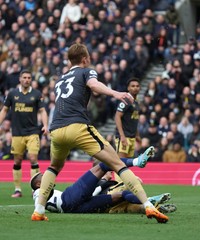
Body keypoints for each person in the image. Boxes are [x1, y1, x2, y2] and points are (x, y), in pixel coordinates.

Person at [31, 43, 168, 223]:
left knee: (53, 167)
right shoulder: (86, 71)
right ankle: (148, 205)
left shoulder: (60, 79)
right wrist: (115, 93)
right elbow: (94, 85)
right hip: (77, 126)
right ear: (85, 59)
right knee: (117, 164)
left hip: (56, 129)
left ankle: (38, 211)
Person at [31, 147, 175, 214]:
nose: (47, 176)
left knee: (121, 196)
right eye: (43, 176)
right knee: (104, 164)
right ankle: (138, 161)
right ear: (38, 184)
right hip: (69, 198)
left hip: (75, 209)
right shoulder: (38, 192)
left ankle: (149, 201)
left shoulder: (43, 196)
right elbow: (38, 200)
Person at [0, 70, 49, 198]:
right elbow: (4, 110)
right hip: (17, 133)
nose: (27, 80)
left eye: (29, 77)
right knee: (17, 160)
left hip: (32, 132)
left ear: (31, 80)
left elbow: (43, 111)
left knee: (33, 158)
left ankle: (35, 189)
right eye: (24, 77)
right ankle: (17, 189)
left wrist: (45, 125)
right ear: (20, 79)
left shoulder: (37, 94)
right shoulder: (12, 94)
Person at [114, 77, 141, 159]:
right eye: (133, 86)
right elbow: (117, 116)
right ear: (128, 88)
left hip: (132, 137)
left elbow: (133, 120)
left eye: (137, 86)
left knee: (126, 164)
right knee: (121, 164)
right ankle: (107, 171)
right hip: (124, 137)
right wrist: (122, 136)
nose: (135, 88)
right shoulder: (126, 100)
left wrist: (137, 135)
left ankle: (108, 172)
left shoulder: (136, 102)